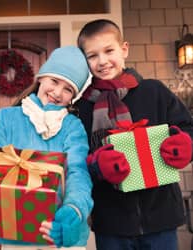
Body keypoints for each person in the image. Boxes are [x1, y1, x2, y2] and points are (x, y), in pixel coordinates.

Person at [0, 46, 93, 250]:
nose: (58, 92)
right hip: (16, 233)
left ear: (73, 96)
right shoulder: (6, 118)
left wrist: (73, 210)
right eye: (54, 81)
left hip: (56, 234)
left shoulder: (72, 126)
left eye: (68, 89)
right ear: (42, 77)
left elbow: (78, 172)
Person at [75, 19, 193, 250]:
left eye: (109, 50)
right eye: (92, 55)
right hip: (111, 223)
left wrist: (186, 144)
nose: (102, 61)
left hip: (162, 217)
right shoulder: (82, 108)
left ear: (124, 49)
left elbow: (187, 127)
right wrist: (97, 163)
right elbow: (78, 161)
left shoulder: (154, 91)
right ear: (85, 61)